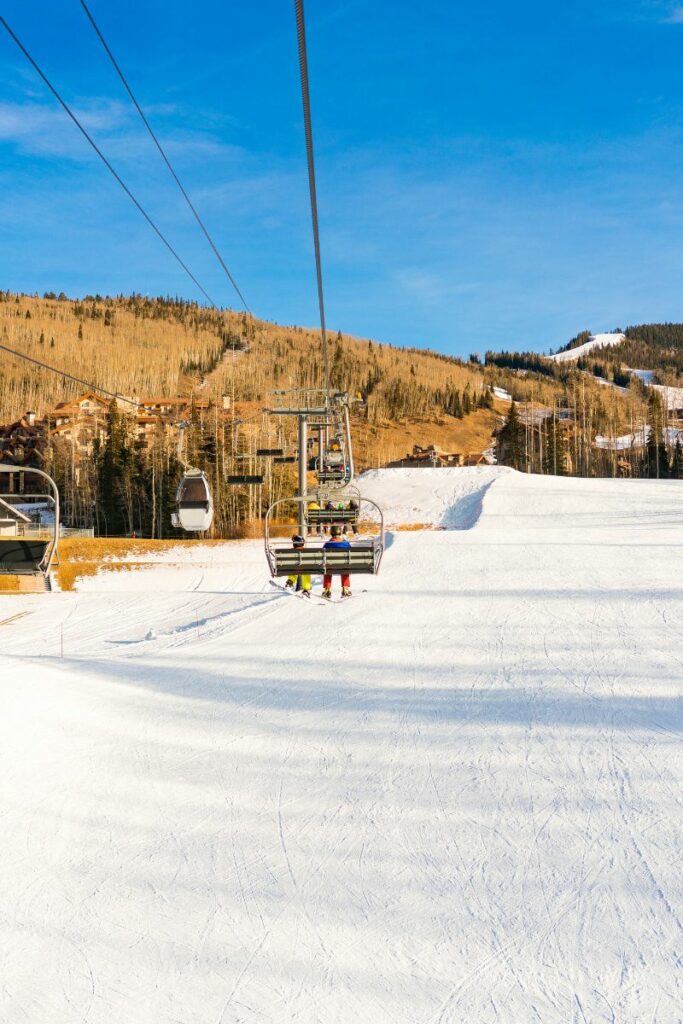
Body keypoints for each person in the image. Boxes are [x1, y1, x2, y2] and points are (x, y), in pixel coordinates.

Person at [322, 524, 351, 599]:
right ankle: (345, 589)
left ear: (331, 533)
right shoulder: (346, 543)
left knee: (327, 571)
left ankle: (327, 590)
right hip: (343, 565)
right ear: (340, 532)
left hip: (330, 566)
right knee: (345, 569)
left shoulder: (328, 544)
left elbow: (322, 554)